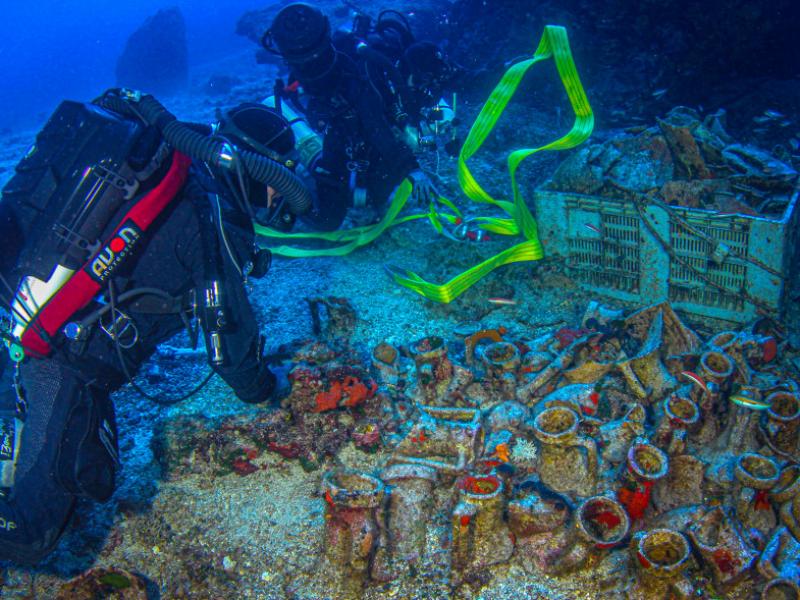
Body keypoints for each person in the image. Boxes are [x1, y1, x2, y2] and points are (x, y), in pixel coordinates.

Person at [0, 91, 307, 564]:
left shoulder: (173, 168)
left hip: (15, 308)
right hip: (59, 358)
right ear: (255, 167)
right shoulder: (215, 216)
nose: (276, 196)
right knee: (31, 531)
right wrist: (272, 388)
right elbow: (229, 348)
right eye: (277, 180)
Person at [263, 3, 458, 231]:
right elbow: (375, 126)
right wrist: (412, 168)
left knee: (375, 195)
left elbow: (377, 125)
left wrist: (410, 167)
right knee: (327, 220)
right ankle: (307, 156)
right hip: (341, 137)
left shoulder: (362, 70)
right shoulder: (355, 72)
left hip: (362, 136)